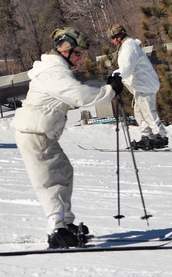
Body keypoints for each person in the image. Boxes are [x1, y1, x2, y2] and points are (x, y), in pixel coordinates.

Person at [14, 27, 122, 249]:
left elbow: (77, 91)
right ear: (65, 49)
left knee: (63, 172)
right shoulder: (54, 73)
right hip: (34, 133)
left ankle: (65, 222)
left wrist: (107, 87)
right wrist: (109, 90)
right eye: (78, 53)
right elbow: (80, 95)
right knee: (49, 181)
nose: (81, 58)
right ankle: (56, 228)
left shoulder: (57, 70)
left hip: (40, 132)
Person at [107, 23, 168, 150]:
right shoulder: (125, 46)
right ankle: (147, 136)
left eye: (115, 37)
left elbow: (127, 67)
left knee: (147, 111)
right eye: (112, 38)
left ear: (121, 35)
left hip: (145, 84)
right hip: (139, 86)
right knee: (139, 112)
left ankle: (160, 136)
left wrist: (116, 76)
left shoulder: (129, 47)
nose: (114, 40)